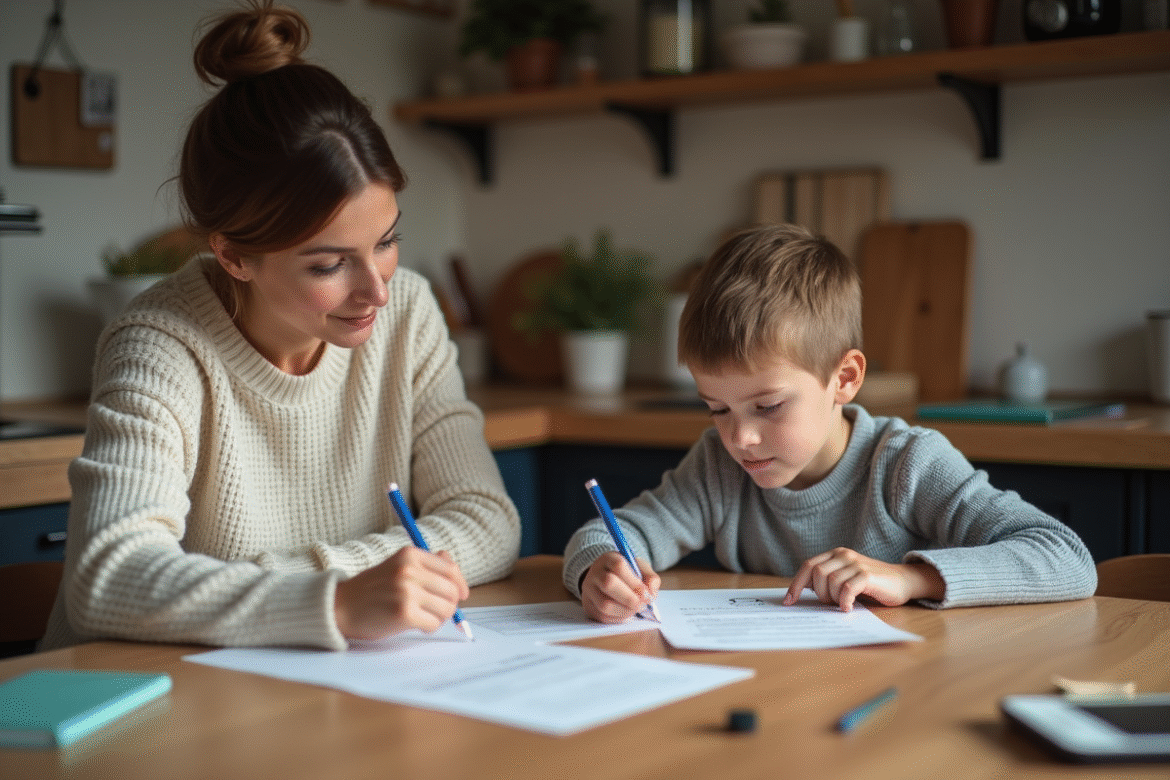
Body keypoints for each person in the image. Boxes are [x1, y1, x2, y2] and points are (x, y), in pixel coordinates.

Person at [41, 1, 519, 652]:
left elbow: (488, 521)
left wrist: (278, 590)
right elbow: (108, 578)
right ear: (233, 255)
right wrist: (339, 599)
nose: (376, 289)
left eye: (386, 240)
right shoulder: (159, 342)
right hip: (132, 708)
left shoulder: (408, 311)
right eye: (328, 264)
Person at [564, 223, 1096, 622]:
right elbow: (612, 532)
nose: (739, 439)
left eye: (768, 407)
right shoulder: (717, 467)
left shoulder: (907, 464)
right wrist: (601, 570)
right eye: (717, 408)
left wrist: (912, 578)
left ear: (844, 378)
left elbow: (1066, 557)